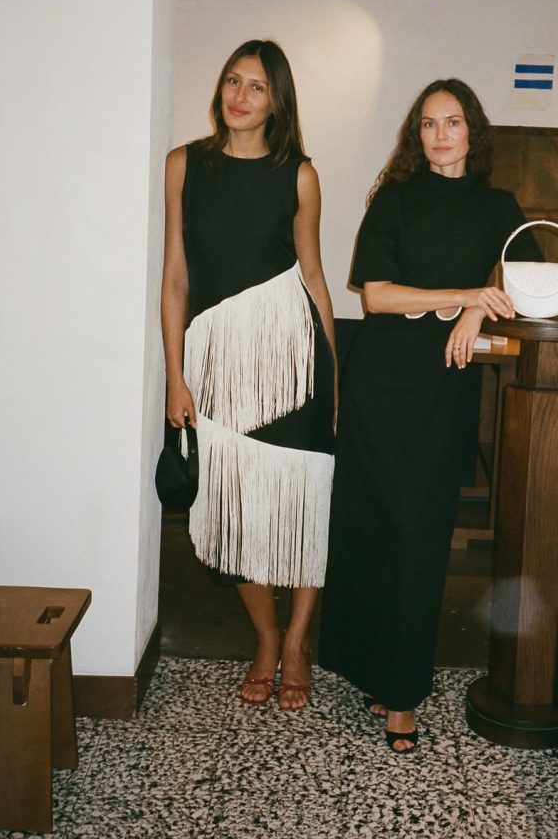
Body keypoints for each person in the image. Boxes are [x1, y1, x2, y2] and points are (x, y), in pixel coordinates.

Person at [319, 78, 541, 752]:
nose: (440, 134)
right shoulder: (394, 197)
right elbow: (377, 296)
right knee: (371, 526)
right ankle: (370, 668)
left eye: (452, 122)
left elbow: (530, 287)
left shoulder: (499, 207)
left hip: (443, 388)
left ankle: (402, 694)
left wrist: (478, 309)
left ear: (473, 131)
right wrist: (467, 293)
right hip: (380, 381)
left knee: (420, 533)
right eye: (427, 124)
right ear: (416, 135)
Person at [161, 39, 336, 711]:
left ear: (276, 101)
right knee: (234, 510)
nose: (239, 96)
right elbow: (175, 278)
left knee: (303, 506)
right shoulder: (185, 165)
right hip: (217, 367)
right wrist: (175, 377)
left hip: (293, 365)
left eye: (256, 86)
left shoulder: (299, 176)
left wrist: (333, 381)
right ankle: (264, 637)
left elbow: (313, 276)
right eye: (233, 81)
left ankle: (296, 643)